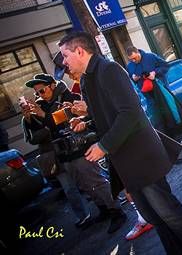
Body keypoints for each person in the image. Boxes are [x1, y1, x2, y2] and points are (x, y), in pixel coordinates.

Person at [58, 32, 182, 255]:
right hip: (125, 163)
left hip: (142, 156)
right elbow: (107, 117)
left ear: (80, 51)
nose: (64, 62)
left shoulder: (110, 70)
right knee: (155, 217)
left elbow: (130, 113)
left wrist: (103, 146)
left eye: (65, 55)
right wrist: (85, 122)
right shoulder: (87, 80)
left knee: (168, 211)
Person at [21, 74, 125, 232]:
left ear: (52, 86)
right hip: (62, 153)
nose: (39, 96)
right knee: (84, 185)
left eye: (42, 91)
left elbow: (61, 123)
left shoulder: (69, 97)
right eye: (37, 93)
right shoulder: (41, 105)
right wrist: (29, 118)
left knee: (96, 181)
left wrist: (43, 115)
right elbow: (37, 133)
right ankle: (103, 209)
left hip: (80, 148)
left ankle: (117, 210)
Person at [126, 46, 182, 136]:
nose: (133, 61)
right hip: (147, 96)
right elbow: (130, 80)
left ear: (138, 52)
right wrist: (133, 78)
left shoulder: (150, 57)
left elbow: (166, 66)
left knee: (171, 113)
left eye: (135, 58)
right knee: (158, 119)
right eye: (131, 59)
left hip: (161, 91)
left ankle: (181, 135)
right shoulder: (130, 66)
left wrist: (155, 72)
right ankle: (168, 140)